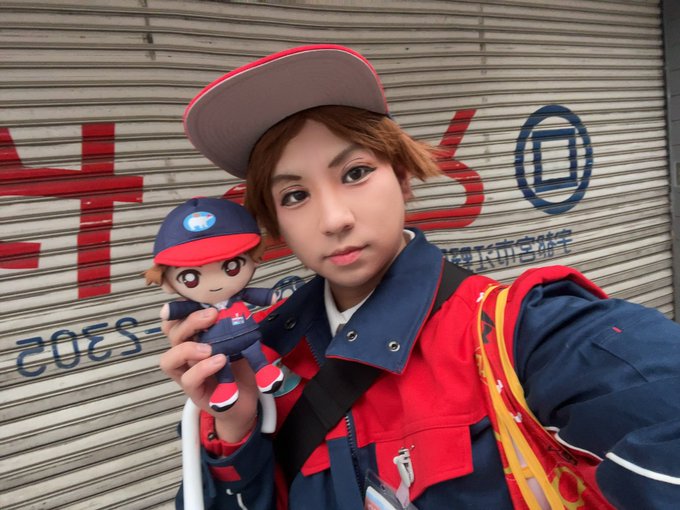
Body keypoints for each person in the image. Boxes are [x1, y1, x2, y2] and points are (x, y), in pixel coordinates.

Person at [159, 44, 680, 509]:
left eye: (356, 173)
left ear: (403, 177)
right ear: (274, 224)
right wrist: (236, 428)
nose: (334, 219)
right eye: (294, 195)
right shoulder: (261, 354)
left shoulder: (517, 334)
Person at [147, 197, 283, 411]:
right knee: (219, 364)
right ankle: (226, 386)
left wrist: (270, 297)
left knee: (256, 354)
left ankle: (264, 371)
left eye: (231, 266)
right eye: (191, 277)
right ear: (168, 284)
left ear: (255, 257)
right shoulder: (198, 311)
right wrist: (236, 421)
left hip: (249, 341)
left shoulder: (285, 320)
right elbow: (178, 309)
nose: (215, 283)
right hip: (217, 352)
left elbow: (260, 296)